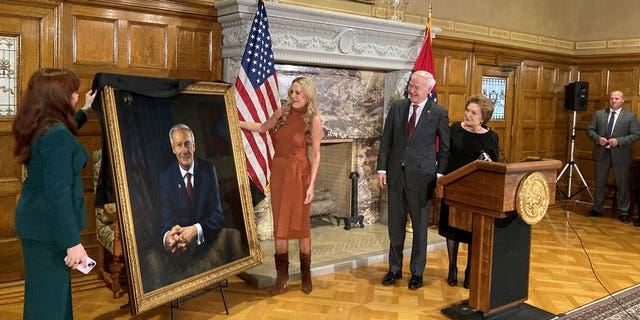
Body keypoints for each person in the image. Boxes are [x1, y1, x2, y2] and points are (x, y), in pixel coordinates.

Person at [12, 68, 96, 319]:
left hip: (37, 224)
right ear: (58, 99)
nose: (76, 96)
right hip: (49, 230)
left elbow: (63, 135)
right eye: (73, 93)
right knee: (49, 304)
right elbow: (57, 195)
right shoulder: (57, 135)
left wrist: (85, 112)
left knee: (49, 296)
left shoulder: (41, 125)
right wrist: (72, 243)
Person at [239, 77, 322, 295]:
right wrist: (236, 122)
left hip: (301, 175)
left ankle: (306, 276)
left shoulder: (314, 120)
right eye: (292, 92)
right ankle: (281, 278)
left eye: (298, 93)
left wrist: (312, 185)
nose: (293, 96)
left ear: (308, 95)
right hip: (279, 173)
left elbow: (316, 154)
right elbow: (261, 127)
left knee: (302, 227)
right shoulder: (282, 113)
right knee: (280, 227)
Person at [377, 70, 450, 290]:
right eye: (411, 85)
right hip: (396, 176)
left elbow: (445, 148)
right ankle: (394, 269)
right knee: (395, 227)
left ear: (429, 89)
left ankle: (417, 272)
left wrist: (439, 175)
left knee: (419, 228)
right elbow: (386, 140)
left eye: (417, 87)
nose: (412, 90)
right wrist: (382, 168)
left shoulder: (438, 112)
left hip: (422, 178)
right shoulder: (398, 107)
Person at [438, 94, 499, 289]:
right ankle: (452, 268)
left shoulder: (490, 136)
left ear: (483, 118)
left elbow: (495, 164)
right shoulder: (454, 129)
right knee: (452, 229)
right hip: (454, 185)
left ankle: (470, 271)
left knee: (474, 231)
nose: (468, 115)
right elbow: (445, 153)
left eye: (474, 113)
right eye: (467, 110)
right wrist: (441, 177)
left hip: (476, 191)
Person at [160, 123, 224, 255]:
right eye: (179, 145)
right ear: (173, 149)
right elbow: (167, 219)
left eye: (187, 144)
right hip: (181, 249)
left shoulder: (208, 170)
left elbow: (218, 216)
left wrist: (196, 230)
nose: (184, 150)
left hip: (208, 243)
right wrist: (169, 237)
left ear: (194, 146)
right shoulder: (166, 178)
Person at [586, 90, 640, 223]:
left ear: (622, 100)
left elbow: (636, 134)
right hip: (601, 154)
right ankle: (597, 209)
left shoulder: (630, 116)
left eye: (616, 98)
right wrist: (598, 139)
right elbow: (590, 130)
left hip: (621, 155)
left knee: (623, 185)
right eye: (611, 98)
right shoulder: (599, 114)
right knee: (599, 183)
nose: (613, 101)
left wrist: (619, 141)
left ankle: (624, 212)